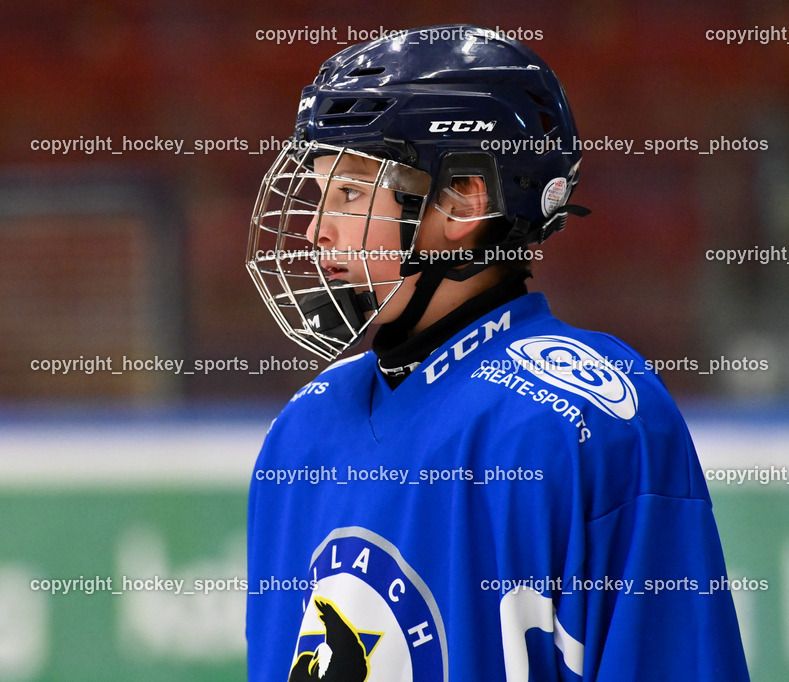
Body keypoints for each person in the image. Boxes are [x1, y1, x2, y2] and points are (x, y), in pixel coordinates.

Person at [246, 24, 749, 681]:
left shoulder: (588, 422)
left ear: (461, 203)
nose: (316, 230)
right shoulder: (301, 434)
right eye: (317, 194)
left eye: (347, 193)